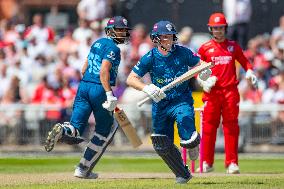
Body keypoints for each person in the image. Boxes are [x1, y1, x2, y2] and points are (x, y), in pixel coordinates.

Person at [44, 16, 131, 179]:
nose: (124, 34)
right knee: (108, 128)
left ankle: (62, 129)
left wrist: (89, 86)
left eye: (124, 31)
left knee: (75, 127)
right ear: (111, 31)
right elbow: (104, 71)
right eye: (120, 30)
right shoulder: (114, 48)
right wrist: (108, 94)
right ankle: (83, 168)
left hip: (83, 85)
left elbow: (84, 68)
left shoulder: (97, 43)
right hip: (99, 88)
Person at [126, 20, 211, 184]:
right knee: (161, 143)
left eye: (170, 36)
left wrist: (204, 74)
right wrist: (147, 88)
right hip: (160, 104)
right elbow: (131, 79)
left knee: (188, 134)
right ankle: (182, 173)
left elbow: (201, 66)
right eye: (164, 37)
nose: (168, 40)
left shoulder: (184, 52)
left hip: (181, 99)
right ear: (156, 38)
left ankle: (193, 144)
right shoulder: (149, 57)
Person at [196, 13, 258, 174]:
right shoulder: (205, 48)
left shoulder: (233, 46)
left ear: (226, 28)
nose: (219, 31)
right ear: (211, 29)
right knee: (208, 128)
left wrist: (250, 72)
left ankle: (232, 163)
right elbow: (196, 70)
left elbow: (245, 62)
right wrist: (204, 81)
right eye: (215, 28)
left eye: (221, 28)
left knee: (231, 128)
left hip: (230, 91)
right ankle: (206, 162)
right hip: (212, 93)